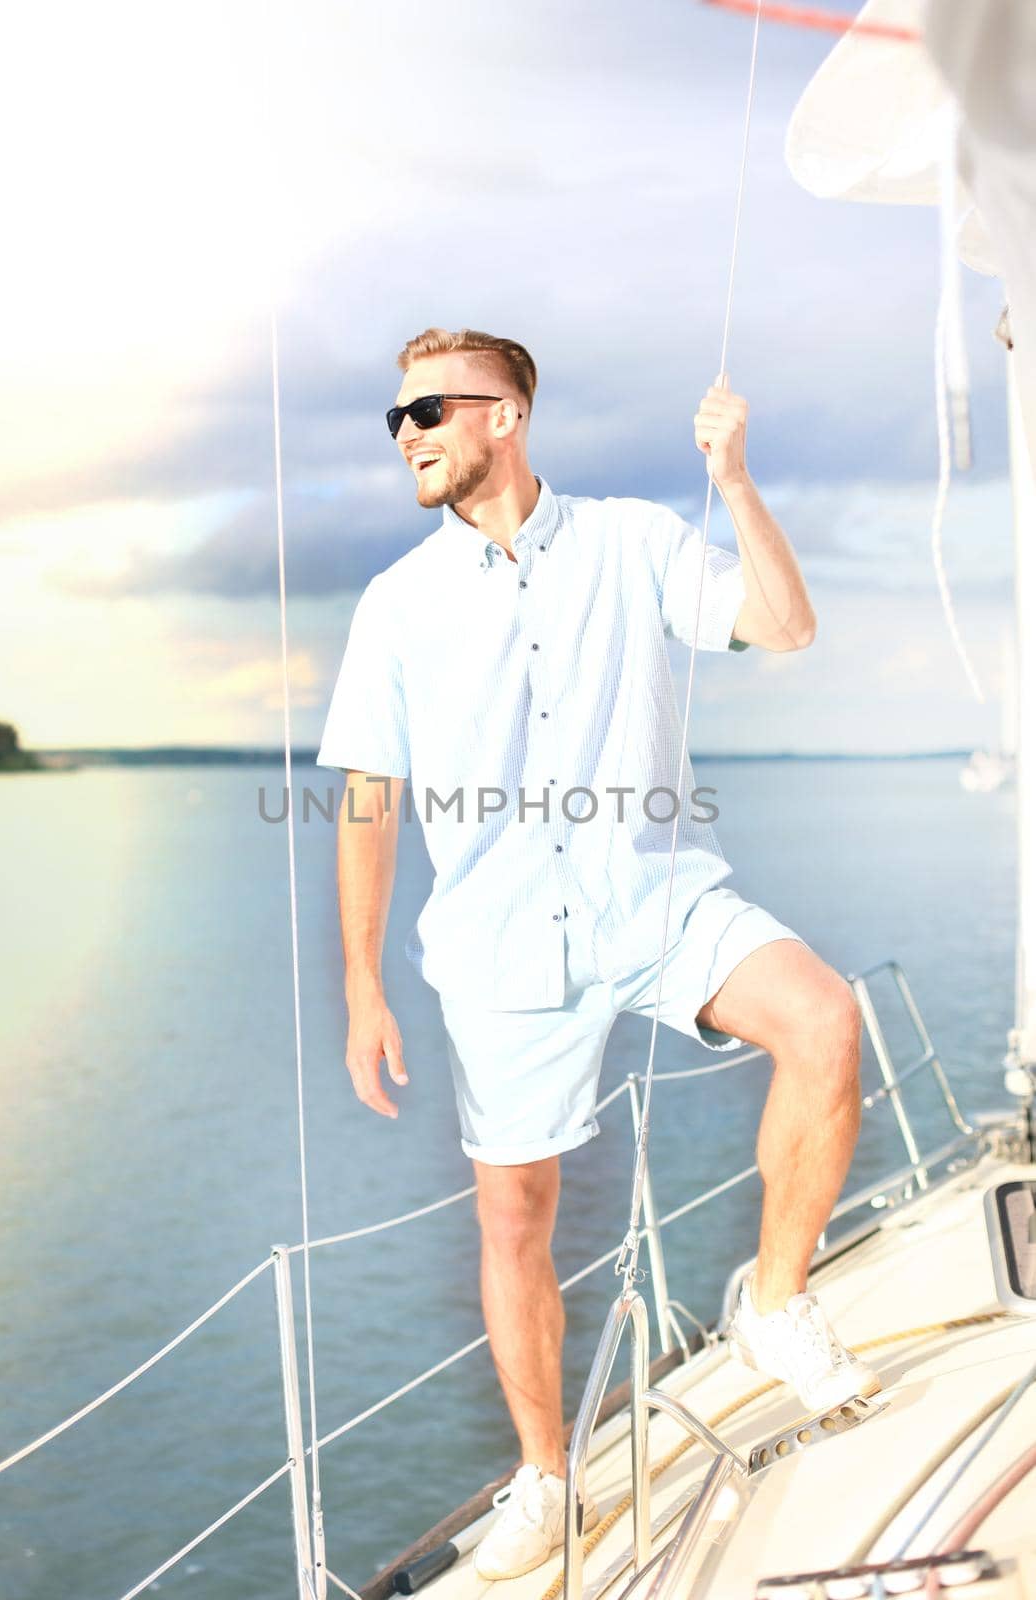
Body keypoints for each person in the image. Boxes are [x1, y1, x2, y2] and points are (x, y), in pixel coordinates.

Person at [315, 326, 879, 1581]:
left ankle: (774, 1300)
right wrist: (360, 986)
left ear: (503, 415)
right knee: (514, 1216)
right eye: (394, 416)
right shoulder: (396, 602)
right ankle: (543, 1477)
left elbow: (784, 627)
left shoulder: (633, 540)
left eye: (428, 411)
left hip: (655, 895)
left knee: (825, 1019)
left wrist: (734, 482)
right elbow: (367, 797)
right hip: (499, 944)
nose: (405, 432)